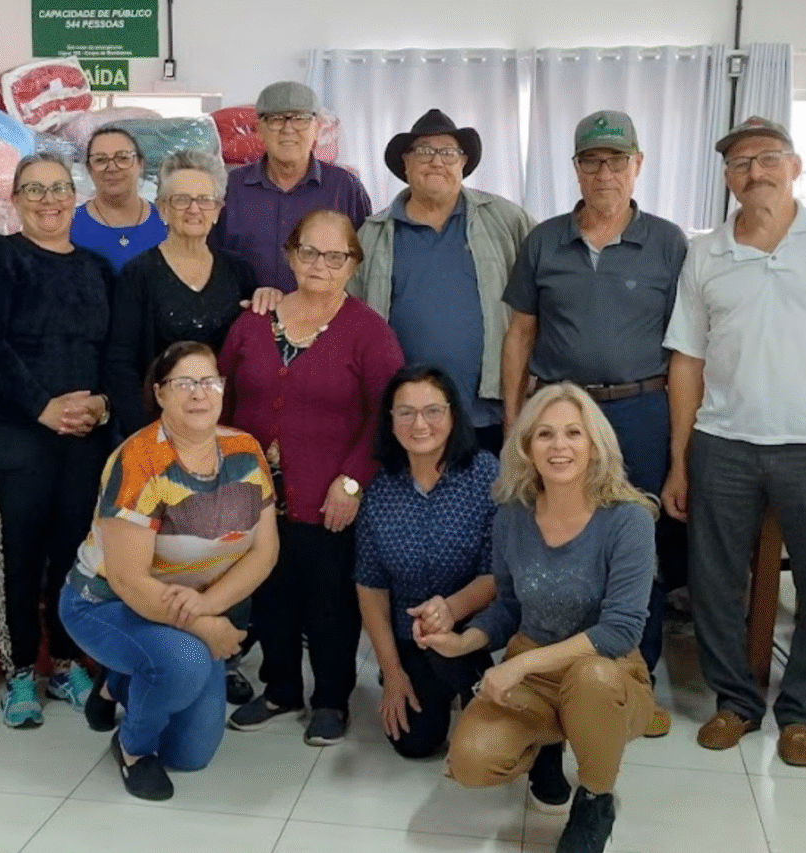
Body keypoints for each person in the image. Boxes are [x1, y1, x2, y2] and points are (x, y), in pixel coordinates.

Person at [661, 116, 806, 768]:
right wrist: (680, 459)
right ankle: (734, 700)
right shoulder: (706, 252)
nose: (753, 172)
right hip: (724, 441)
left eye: (767, 158)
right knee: (713, 580)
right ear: (728, 179)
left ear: (795, 166)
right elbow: (687, 361)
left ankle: (803, 710)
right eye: (739, 164)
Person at [500, 110, 688, 720]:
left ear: (638, 165)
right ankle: (550, 671)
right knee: (557, 535)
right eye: (591, 161)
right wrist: (513, 424)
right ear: (576, 169)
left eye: (617, 161)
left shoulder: (668, 242)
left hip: (640, 412)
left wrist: (679, 450)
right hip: (559, 417)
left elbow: (686, 350)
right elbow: (519, 334)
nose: (604, 173)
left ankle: (637, 683)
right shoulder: (543, 240)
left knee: (642, 543)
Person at [423, 383, 657, 853]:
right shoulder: (513, 514)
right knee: (469, 762)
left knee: (590, 679)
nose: (560, 446)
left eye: (574, 432)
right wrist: (464, 641)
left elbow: (621, 630)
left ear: (595, 445)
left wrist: (520, 665)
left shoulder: (629, 519)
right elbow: (509, 607)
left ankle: (595, 800)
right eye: (545, 434)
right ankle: (548, 741)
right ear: (528, 446)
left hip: (610, 672)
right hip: (534, 667)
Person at [59, 341, 279, 801]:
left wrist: (206, 606)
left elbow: (265, 551)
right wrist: (204, 627)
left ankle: (117, 684)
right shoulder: (137, 462)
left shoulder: (245, 450)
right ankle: (133, 749)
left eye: (209, 381)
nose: (199, 393)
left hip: (182, 604)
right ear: (160, 393)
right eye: (184, 383)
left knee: (190, 755)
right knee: (185, 661)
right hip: (106, 602)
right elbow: (128, 581)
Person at [220, 209, 404, 745]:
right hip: (254, 493)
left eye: (335, 255)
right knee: (270, 592)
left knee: (328, 601)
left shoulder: (369, 332)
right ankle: (279, 689)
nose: (320, 264)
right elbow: (223, 397)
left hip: (330, 497)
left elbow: (386, 415)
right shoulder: (253, 321)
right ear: (290, 254)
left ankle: (330, 699)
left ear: (353, 263)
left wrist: (351, 481)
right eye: (308, 252)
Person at [0, 152, 117, 728]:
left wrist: (103, 404)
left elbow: (113, 351)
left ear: (75, 196)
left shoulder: (97, 267)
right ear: (15, 200)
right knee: (19, 555)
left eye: (58, 187)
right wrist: (43, 408)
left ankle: (68, 663)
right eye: (34, 190)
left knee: (75, 553)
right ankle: (21, 670)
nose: (48, 199)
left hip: (86, 435)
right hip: (18, 430)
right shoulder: (2, 257)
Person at [349, 109, 535, 455]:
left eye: (448, 152)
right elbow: (348, 320)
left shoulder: (507, 221)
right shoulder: (372, 235)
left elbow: (546, 290)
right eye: (423, 151)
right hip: (406, 420)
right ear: (405, 163)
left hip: (490, 417)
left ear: (463, 162)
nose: (436, 161)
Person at [355, 365, 501, 760]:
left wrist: (450, 609)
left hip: (472, 625)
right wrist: (392, 673)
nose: (420, 424)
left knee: (486, 746)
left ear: (453, 415)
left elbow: (496, 573)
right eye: (406, 412)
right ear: (391, 420)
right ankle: (416, 679)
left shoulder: (485, 474)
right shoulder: (379, 488)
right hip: (407, 634)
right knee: (414, 743)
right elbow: (370, 586)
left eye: (433, 411)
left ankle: (476, 689)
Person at [106, 149, 257, 435]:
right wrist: (149, 433)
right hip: (156, 427)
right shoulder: (138, 274)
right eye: (181, 200)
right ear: (162, 208)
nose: (194, 208)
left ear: (217, 210)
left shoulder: (241, 272)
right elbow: (120, 364)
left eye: (204, 200)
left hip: (226, 428)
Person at [211, 81, 371, 293]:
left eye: (300, 119)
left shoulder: (346, 189)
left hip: (324, 320)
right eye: (276, 119)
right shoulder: (229, 188)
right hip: (245, 319)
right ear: (259, 129)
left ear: (318, 127)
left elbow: (363, 264)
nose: (288, 129)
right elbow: (207, 258)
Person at [70, 126, 167, 271]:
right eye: (100, 160)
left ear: (140, 164)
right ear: (89, 169)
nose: (112, 167)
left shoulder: (165, 222)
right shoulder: (69, 225)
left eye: (122, 158)